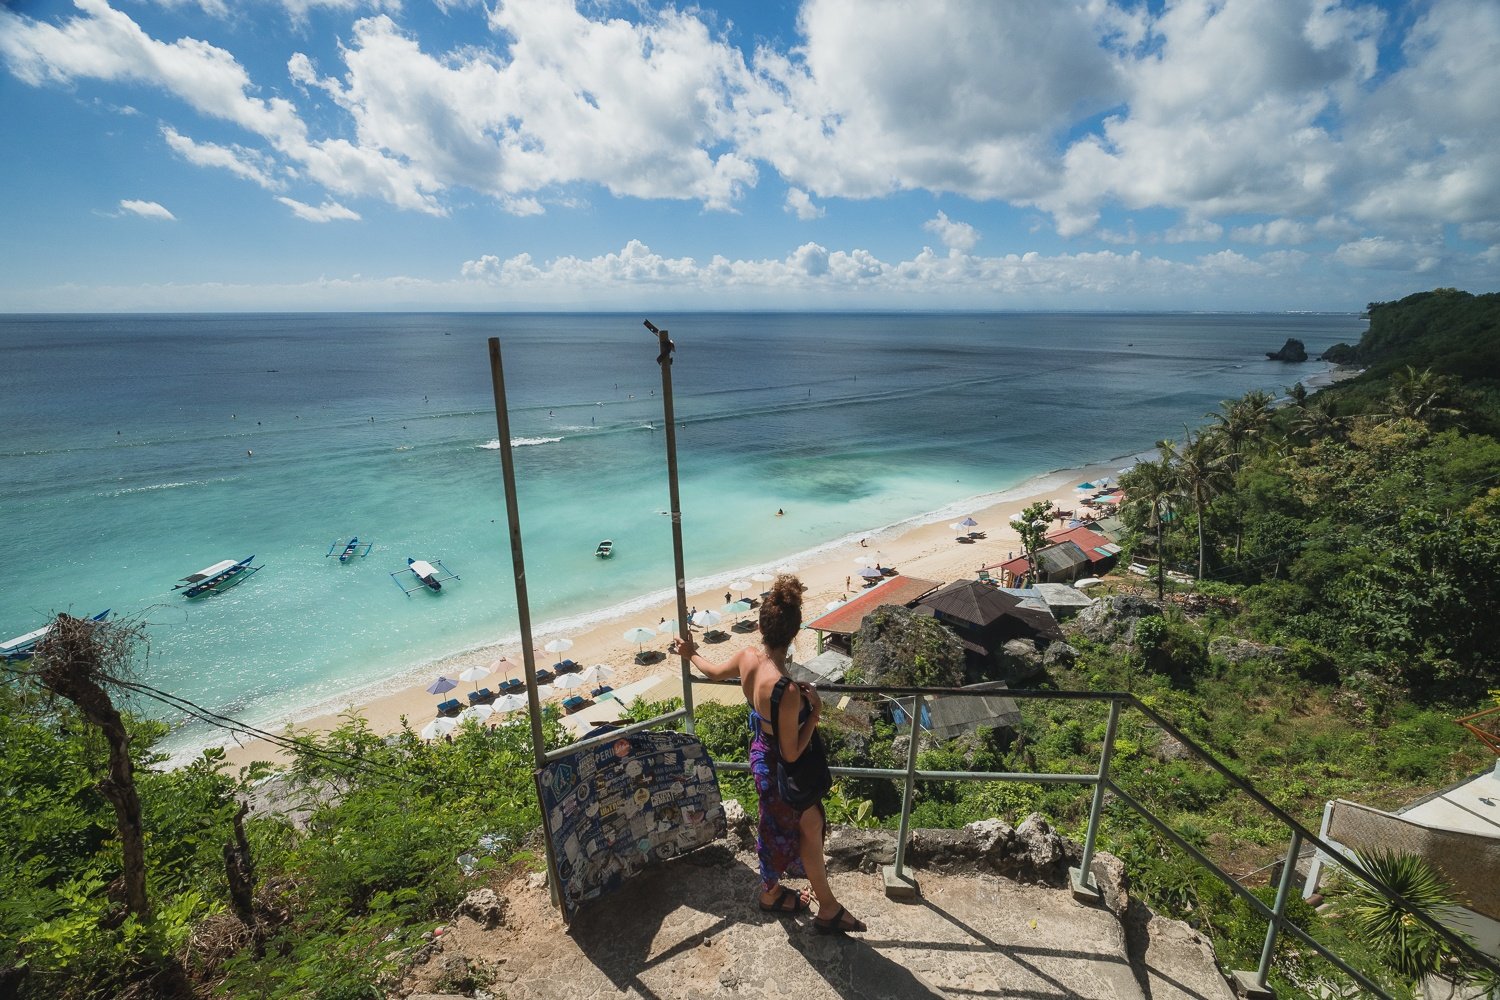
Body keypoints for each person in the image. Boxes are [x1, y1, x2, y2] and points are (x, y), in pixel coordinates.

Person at [676, 574, 865, 934]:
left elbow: (713, 672)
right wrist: (817, 716)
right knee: (804, 827)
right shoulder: (787, 689)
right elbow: (792, 753)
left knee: (784, 826)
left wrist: (691, 653)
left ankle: (785, 895)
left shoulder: (748, 659)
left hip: (760, 754)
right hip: (782, 766)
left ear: (761, 627)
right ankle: (812, 905)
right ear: (795, 634)